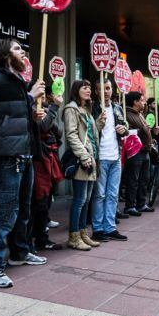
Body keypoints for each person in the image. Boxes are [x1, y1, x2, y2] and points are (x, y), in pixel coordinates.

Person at [0, 39, 47, 288]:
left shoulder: (18, 80)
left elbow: (17, 115)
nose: (23, 52)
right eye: (18, 48)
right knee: (4, 213)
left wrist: (32, 110)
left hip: (26, 153)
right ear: (6, 54)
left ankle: (20, 252)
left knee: (24, 209)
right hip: (7, 156)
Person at [62, 80, 104, 250]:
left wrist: (99, 122)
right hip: (82, 160)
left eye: (89, 87)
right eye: (84, 87)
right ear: (76, 90)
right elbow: (71, 135)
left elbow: (90, 134)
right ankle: (73, 236)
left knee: (87, 199)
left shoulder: (86, 110)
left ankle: (82, 233)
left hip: (92, 158)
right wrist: (84, 155)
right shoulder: (71, 109)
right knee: (79, 199)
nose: (88, 90)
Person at [91, 79, 128, 242]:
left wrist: (124, 129)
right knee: (100, 195)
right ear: (96, 91)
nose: (106, 91)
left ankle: (110, 227)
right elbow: (89, 132)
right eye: (102, 89)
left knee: (113, 195)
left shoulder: (117, 107)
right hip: (100, 157)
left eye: (108, 88)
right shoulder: (92, 108)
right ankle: (98, 229)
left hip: (115, 156)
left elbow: (124, 128)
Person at [30, 90, 64, 251]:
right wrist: (54, 108)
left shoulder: (45, 109)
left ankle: (41, 237)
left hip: (48, 156)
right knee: (38, 201)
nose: (43, 97)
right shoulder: (32, 108)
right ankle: (36, 239)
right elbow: (43, 126)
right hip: (38, 159)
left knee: (46, 198)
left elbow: (57, 131)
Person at [123, 91, 156, 216]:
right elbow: (130, 131)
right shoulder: (127, 114)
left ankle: (141, 203)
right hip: (135, 152)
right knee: (133, 179)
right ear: (135, 102)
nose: (144, 103)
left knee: (144, 179)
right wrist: (142, 129)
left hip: (145, 151)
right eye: (142, 100)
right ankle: (130, 205)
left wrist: (151, 131)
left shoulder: (140, 114)